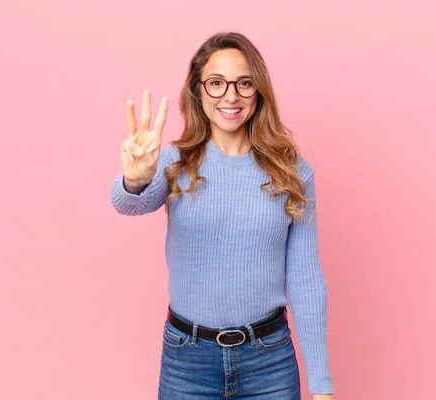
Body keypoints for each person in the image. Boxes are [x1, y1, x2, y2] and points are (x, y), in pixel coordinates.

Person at [111, 32, 334, 399]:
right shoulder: (173, 163)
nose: (230, 96)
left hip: (270, 362)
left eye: (243, 83)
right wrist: (134, 180)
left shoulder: (293, 172)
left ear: (258, 91)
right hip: (188, 361)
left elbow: (306, 277)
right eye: (216, 83)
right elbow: (128, 203)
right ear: (199, 91)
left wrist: (322, 384)